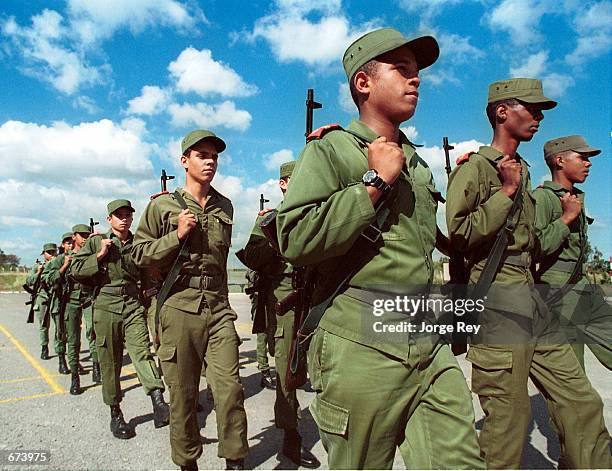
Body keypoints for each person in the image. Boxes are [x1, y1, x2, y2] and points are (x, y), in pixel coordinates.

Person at [276, 28, 483, 469]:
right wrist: (372, 184)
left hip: (426, 339)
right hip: (360, 342)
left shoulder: (418, 163)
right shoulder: (333, 150)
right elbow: (294, 238)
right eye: (402, 69)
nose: (416, 80)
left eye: (418, 73)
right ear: (363, 83)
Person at [446, 78, 611, 468]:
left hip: (530, 298)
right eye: (531, 109)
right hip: (497, 302)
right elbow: (460, 235)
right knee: (508, 422)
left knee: (580, 401)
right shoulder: (477, 170)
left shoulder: (522, 170)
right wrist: (504, 193)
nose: (538, 117)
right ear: (502, 112)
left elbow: (533, 244)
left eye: (540, 112)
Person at [132, 130, 248, 471]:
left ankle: (235, 460)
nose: (210, 161)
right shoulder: (161, 206)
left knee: (229, 389)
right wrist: (176, 235)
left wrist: (224, 305)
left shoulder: (224, 205)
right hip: (179, 306)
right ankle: (187, 462)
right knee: (183, 395)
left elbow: (222, 264)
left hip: (217, 306)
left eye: (214, 156)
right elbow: (139, 255)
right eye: (202, 155)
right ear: (185, 161)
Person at [242, 161, 320, 468]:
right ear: (283, 184)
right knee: (288, 373)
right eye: (295, 178)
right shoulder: (270, 218)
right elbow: (252, 256)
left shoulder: (316, 211)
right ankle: (291, 437)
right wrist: (279, 241)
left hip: (318, 299)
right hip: (287, 301)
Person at [71, 199, 170, 440]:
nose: (124, 219)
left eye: (127, 215)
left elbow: (150, 269)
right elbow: (76, 269)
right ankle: (115, 412)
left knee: (142, 352)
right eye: (119, 215)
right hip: (105, 306)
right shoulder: (96, 241)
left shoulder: (138, 242)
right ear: (109, 219)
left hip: (132, 304)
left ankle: (158, 402)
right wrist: (99, 255)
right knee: (110, 361)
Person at [533, 135, 612, 370]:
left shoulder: (575, 197)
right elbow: (534, 248)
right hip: (557, 295)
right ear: (559, 160)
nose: (588, 163)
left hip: (584, 288)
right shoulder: (543, 198)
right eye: (582, 157)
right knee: (572, 378)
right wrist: (567, 218)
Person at [41, 232, 75, 374]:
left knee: (75, 334)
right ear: (63, 245)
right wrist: (65, 266)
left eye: (72, 242)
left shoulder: (80, 258)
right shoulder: (58, 260)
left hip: (77, 301)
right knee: (61, 332)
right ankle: (62, 360)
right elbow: (49, 279)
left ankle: (75, 361)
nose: (71, 245)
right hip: (60, 301)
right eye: (68, 243)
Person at [244, 268, 276, 390]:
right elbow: (251, 275)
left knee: (275, 338)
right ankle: (264, 371)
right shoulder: (255, 262)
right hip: (260, 305)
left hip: (272, 302)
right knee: (262, 337)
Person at [26, 242, 57, 360]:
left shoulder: (58, 264)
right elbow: (29, 281)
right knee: (44, 325)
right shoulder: (38, 266)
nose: (52, 255)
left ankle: (59, 348)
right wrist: (39, 272)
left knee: (59, 326)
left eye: (54, 252)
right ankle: (44, 347)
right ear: (44, 254)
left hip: (56, 298)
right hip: (42, 298)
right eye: (49, 252)